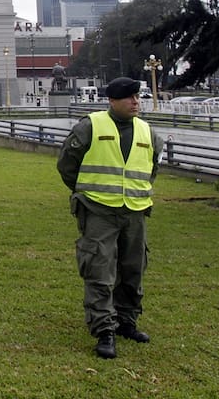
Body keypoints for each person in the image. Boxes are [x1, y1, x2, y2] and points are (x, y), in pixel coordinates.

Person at [57, 77, 164, 359]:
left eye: (137, 97)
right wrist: (85, 192)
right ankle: (104, 329)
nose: (135, 102)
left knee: (133, 268)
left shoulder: (147, 132)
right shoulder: (90, 126)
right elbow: (67, 165)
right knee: (100, 270)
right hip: (99, 210)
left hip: (135, 212)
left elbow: (151, 168)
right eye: (129, 98)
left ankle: (126, 321)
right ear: (112, 101)